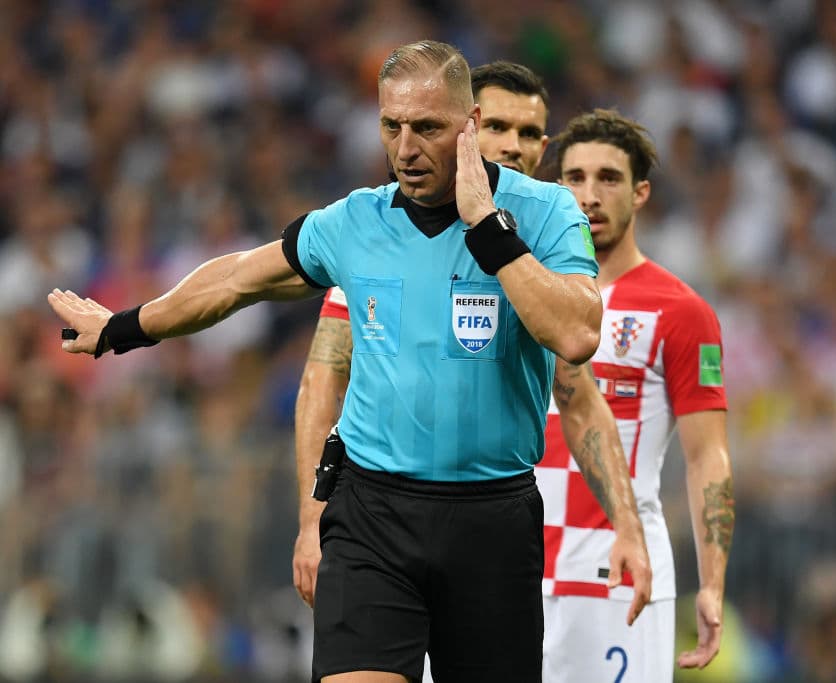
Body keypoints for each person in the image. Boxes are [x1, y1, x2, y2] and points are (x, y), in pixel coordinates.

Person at [48, 41, 651, 683]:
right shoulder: (355, 223)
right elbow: (236, 281)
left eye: (428, 128)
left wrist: (486, 226)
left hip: (492, 521)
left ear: (469, 126)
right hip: (373, 515)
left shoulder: (546, 212)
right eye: (392, 126)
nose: (406, 146)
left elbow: (579, 334)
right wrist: (120, 327)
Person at [292, 64, 652, 659]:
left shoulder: (541, 246)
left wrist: (628, 526)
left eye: (533, 133)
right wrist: (311, 522)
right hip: (384, 521)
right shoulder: (382, 239)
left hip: (503, 532)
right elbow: (322, 381)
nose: (515, 145)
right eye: (501, 127)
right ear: (467, 129)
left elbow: (579, 396)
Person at [536, 109, 735, 682]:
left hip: (618, 578)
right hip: (507, 571)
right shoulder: (526, 290)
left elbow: (708, 455)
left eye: (609, 178)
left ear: (641, 192)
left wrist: (713, 582)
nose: (590, 195)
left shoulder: (681, 311)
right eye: (575, 178)